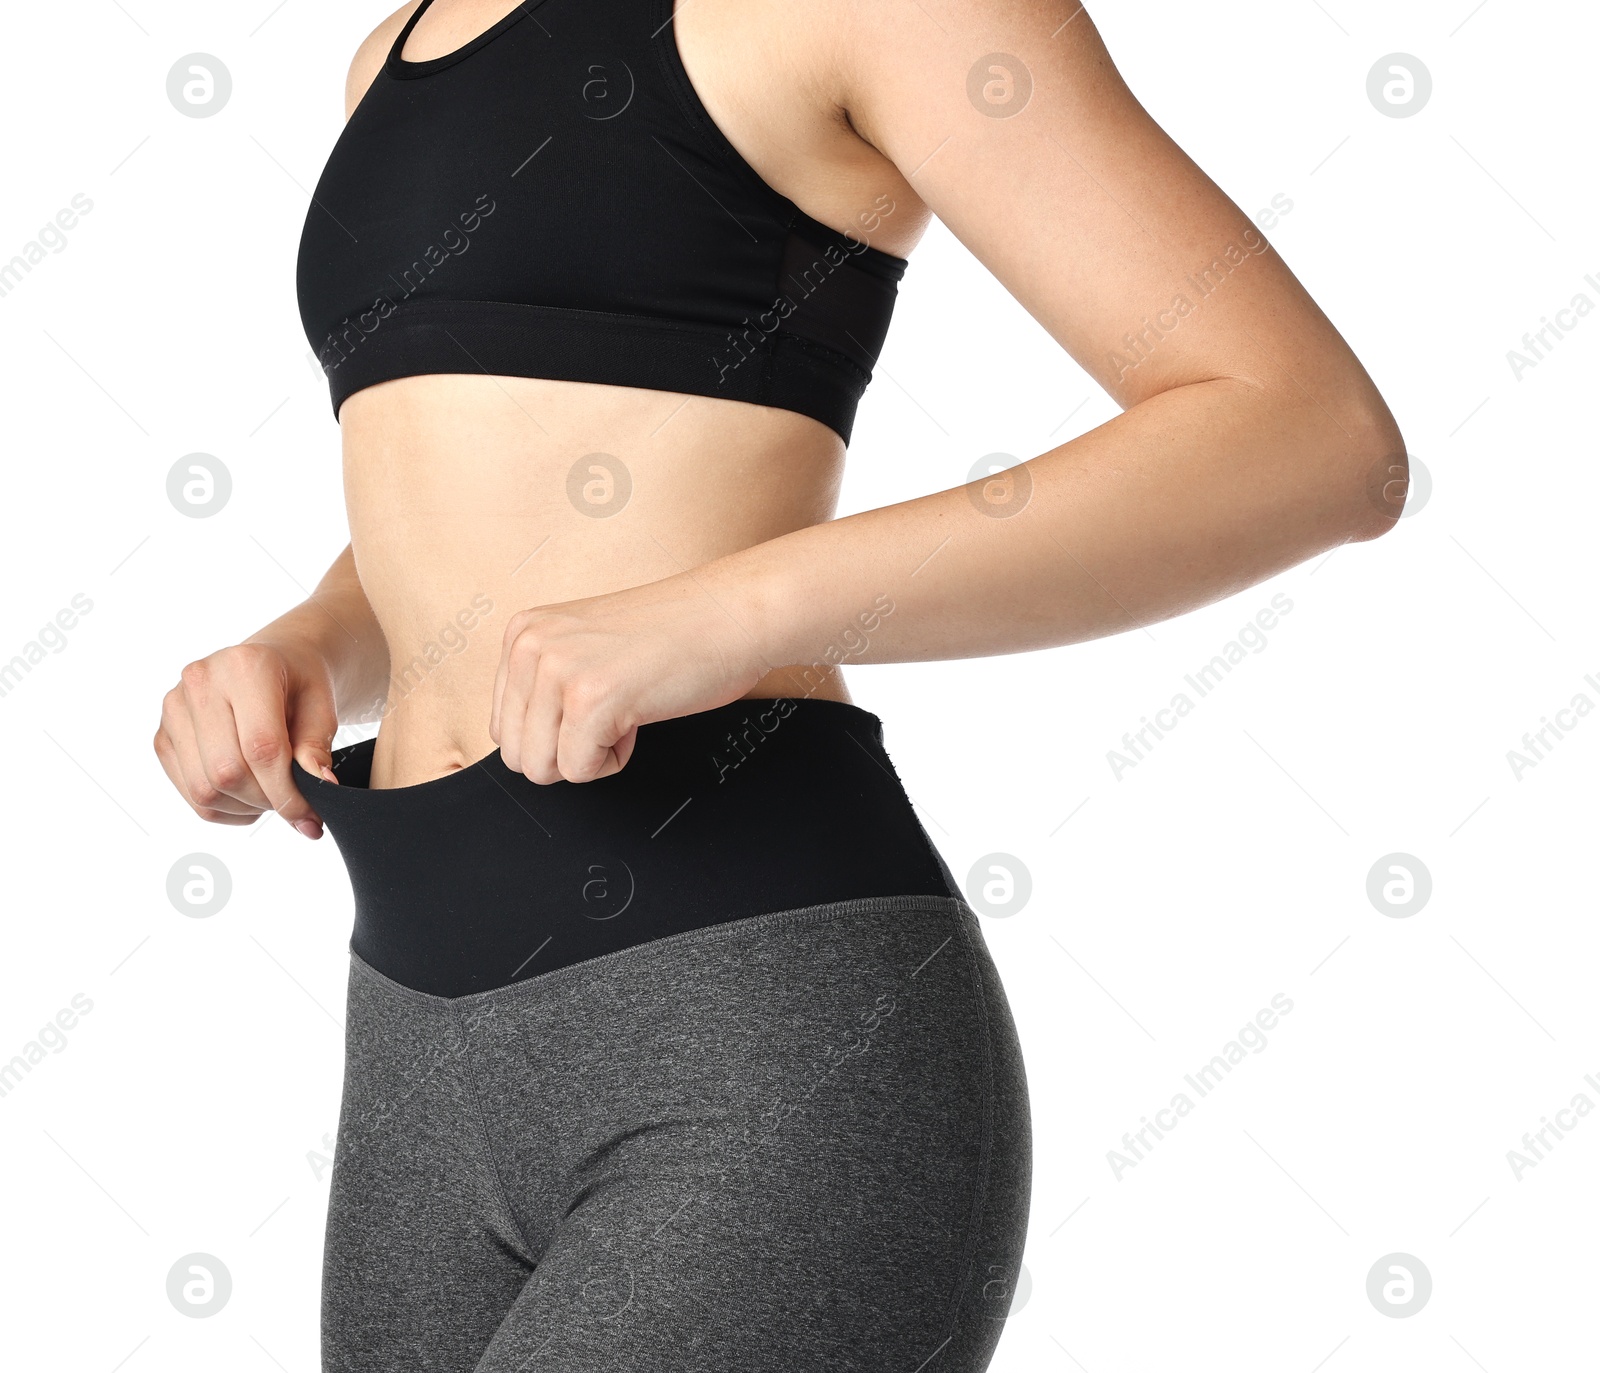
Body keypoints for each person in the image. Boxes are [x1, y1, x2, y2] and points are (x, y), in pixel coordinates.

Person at [154, 1, 1406, 1367]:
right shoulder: (402, 43)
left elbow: (1312, 437)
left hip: (754, 1027)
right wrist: (315, 642)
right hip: (413, 1036)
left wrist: (728, 610)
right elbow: (481, 471)